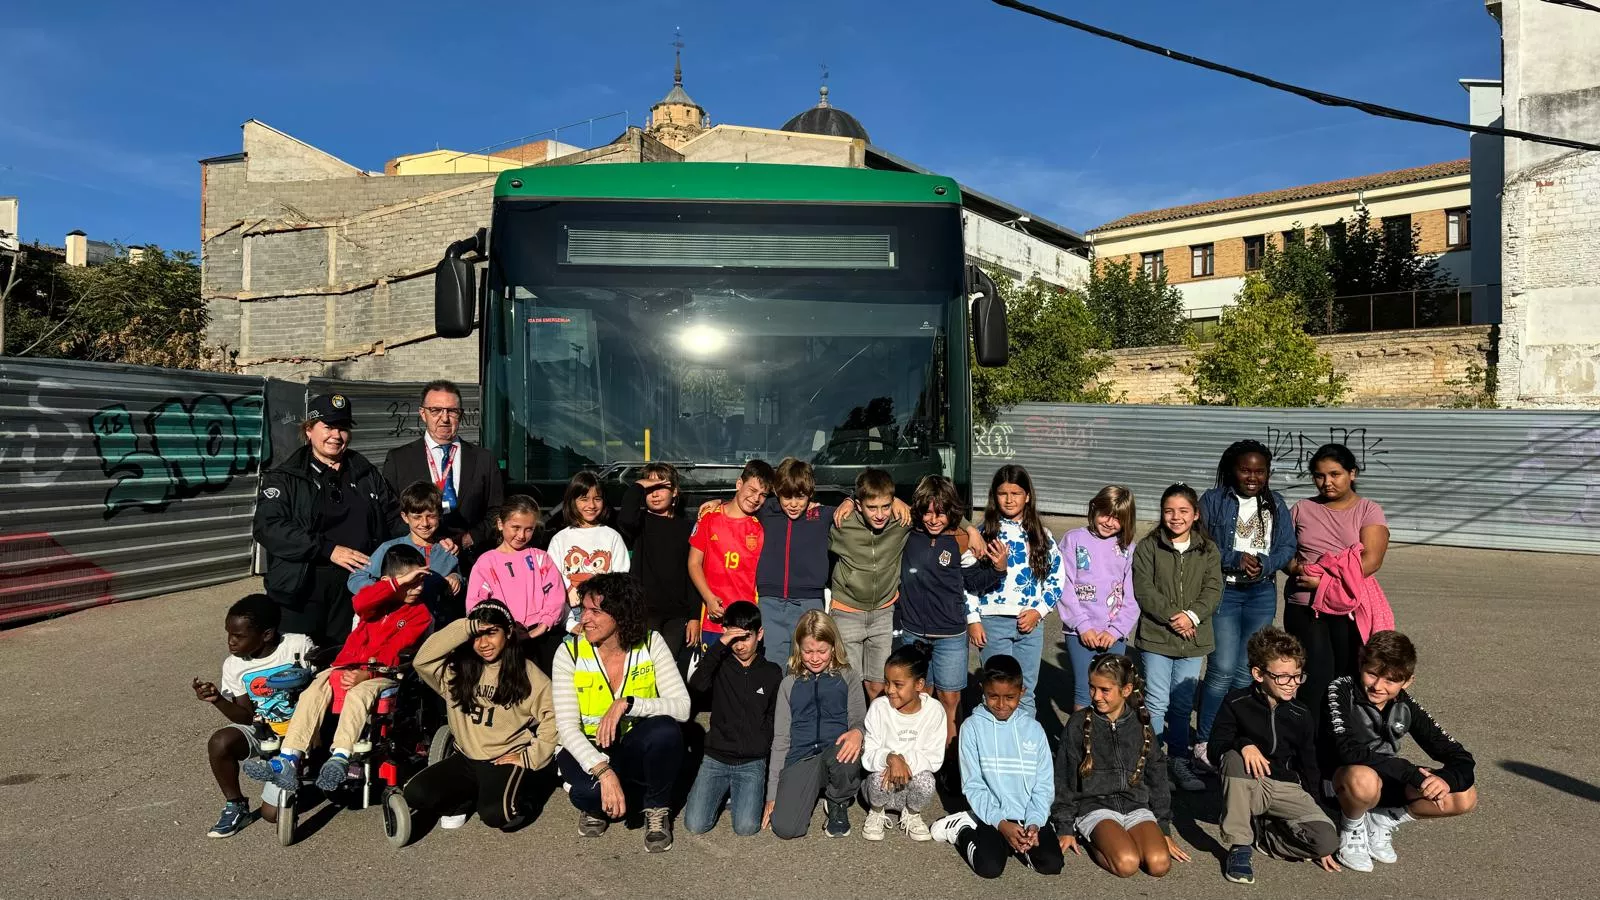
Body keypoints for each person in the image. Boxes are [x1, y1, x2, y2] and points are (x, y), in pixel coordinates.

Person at [245, 545, 435, 793]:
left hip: (384, 673)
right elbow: (360, 602)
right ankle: (289, 758)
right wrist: (397, 584)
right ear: (389, 582)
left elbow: (396, 650)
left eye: (421, 581)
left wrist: (367, 673)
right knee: (312, 691)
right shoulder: (376, 603)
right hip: (346, 666)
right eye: (411, 582)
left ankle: (340, 757)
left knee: (358, 694)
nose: (418, 587)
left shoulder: (420, 614)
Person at [552, 573, 691, 853]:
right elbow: (566, 728)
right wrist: (603, 772)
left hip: (631, 745)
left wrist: (628, 703)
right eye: (583, 610)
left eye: (595, 611)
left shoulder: (651, 643)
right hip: (586, 746)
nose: (584, 619)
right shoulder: (569, 652)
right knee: (586, 795)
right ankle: (606, 800)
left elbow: (683, 707)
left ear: (621, 614)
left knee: (666, 730)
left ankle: (656, 807)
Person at [254, 393, 402, 647]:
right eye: (328, 427)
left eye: (342, 428)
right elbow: (269, 527)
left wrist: (425, 539)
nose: (336, 435)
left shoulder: (365, 473)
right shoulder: (286, 477)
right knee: (300, 659)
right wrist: (328, 549)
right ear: (309, 430)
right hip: (303, 588)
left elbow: (393, 518)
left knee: (348, 657)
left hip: (357, 586)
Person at [404, 599, 558, 834]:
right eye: (477, 636)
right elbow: (422, 660)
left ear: (508, 632)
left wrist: (531, 756)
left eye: (492, 633)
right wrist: (466, 627)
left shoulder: (527, 673)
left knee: (497, 814)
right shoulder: (456, 670)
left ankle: (528, 791)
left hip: (503, 758)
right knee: (415, 794)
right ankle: (465, 799)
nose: (484, 643)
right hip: (465, 758)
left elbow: (553, 716)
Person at [1330, 631, 1477, 873]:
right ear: (1361, 664)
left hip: (1387, 776)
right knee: (1363, 778)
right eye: (1372, 674)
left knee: (1464, 795)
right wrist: (1412, 774)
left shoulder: (1405, 704)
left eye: (1390, 681)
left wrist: (1445, 781)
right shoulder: (1341, 689)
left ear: (1407, 681)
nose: (1378, 686)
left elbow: (1460, 757)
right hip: (1343, 781)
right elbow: (1348, 750)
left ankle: (1383, 819)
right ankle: (1351, 827)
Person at [1194, 440, 1297, 775]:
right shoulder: (1213, 500)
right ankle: (1204, 741)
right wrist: (1234, 558)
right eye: (1245, 470)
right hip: (1224, 591)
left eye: (1260, 471)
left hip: (1261, 593)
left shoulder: (1276, 503)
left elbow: (1287, 546)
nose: (1252, 477)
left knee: (1245, 670)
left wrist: (1266, 563)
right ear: (1232, 470)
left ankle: (1230, 739)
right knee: (1221, 668)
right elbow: (1200, 543)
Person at [1206, 627, 1340, 885]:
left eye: (1297, 676)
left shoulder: (1301, 713)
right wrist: (1244, 744)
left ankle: (1267, 834)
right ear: (1258, 674)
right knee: (1233, 757)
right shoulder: (1236, 702)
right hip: (1251, 784)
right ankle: (1240, 845)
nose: (1292, 684)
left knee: (1327, 842)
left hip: (1286, 787)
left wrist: (1317, 809)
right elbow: (1215, 748)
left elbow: (1309, 764)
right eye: (1282, 677)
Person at [1285, 443, 1390, 757]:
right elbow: (1284, 553)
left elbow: (1371, 561)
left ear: (1352, 473)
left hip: (1349, 607)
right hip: (1305, 608)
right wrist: (1296, 568)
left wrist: (1324, 582)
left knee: (1346, 679)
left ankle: (1342, 750)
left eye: (1335, 474)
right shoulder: (1301, 508)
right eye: (1319, 476)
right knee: (1313, 680)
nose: (1327, 482)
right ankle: (1308, 753)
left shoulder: (1368, 509)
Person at [1051, 653, 1188, 878]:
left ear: (1126, 690)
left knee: (1159, 864)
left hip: (1136, 805)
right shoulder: (1078, 723)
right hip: (1095, 807)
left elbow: (1157, 775)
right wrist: (1065, 826)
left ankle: (1125, 838)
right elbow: (1064, 777)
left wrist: (1163, 827)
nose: (1096, 696)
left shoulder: (1141, 723)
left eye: (1105, 690)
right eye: (1092, 688)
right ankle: (1091, 838)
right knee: (1127, 864)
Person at [895, 474, 1006, 745]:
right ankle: (920, 752)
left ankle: (952, 755)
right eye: (928, 513)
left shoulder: (961, 539)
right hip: (913, 631)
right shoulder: (908, 532)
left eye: (941, 513)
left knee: (950, 699)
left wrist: (998, 569)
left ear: (952, 512)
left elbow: (974, 581)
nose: (934, 519)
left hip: (951, 635)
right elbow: (886, 501)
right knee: (919, 696)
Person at [929, 655, 1063, 878]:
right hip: (992, 814)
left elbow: (1044, 785)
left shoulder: (1035, 730)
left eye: (1010, 697)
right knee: (989, 868)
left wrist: (1034, 824)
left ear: (1022, 692)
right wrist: (1001, 824)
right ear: (982, 690)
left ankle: (1016, 843)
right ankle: (962, 829)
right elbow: (973, 785)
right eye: (993, 696)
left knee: (1052, 864)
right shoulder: (971, 728)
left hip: (1028, 814)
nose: (1001, 705)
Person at [192, 595, 314, 837]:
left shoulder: (297, 646)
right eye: (229, 634)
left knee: (271, 814)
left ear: (266, 635)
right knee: (220, 742)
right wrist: (217, 699)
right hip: (265, 732)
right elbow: (246, 717)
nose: (231, 641)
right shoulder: (234, 665)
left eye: (238, 636)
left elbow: (321, 691)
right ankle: (236, 806)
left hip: (303, 730)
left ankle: (306, 776)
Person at [1132, 483, 1222, 793]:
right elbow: (1144, 589)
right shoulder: (1148, 547)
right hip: (1157, 636)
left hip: (1193, 638)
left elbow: (1213, 588)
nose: (1176, 517)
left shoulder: (1207, 549)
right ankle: (1155, 765)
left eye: (1183, 511)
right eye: (1169, 511)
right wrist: (1175, 617)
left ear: (1196, 514)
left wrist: (1192, 616)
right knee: (1156, 702)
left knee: (1183, 705)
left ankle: (1179, 760)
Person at [967, 465, 1065, 718]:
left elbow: (1056, 579)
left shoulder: (1042, 536)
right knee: (995, 692)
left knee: (1025, 691)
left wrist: (1039, 611)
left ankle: (1025, 740)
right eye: (1003, 494)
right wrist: (973, 619)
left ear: (1027, 496)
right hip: (992, 623)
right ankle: (995, 739)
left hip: (1029, 624)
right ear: (994, 496)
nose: (1009, 500)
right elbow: (968, 581)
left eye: (1016, 493)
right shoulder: (983, 534)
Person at [683, 601, 783, 837]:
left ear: (759, 634)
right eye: (734, 639)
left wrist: (762, 742)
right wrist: (720, 644)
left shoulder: (772, 672)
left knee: (746, 827)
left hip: (751, 762)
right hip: (716, 758)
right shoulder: (719, 665)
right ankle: (723, 790)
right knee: (695, 824)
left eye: (746, 637)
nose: (740, 645)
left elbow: (774, 715)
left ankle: (736, 791)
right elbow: (696, 685)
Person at [766, 610, 867, 840]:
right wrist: (772, 794)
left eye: (822, 651)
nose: (814, 658)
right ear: (798, 649)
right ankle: (807, 790)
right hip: (802, 757)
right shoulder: (788, 684)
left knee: (848, 749)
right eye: (808, 651)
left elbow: (858, 718)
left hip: (836, 753)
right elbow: (781, 739)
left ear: (833, 647)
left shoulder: (848, 676)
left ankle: (838, 801)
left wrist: (858, 732)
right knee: (785, 828)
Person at [381, 379, 504, 564]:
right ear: (423, 414)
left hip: (471, 560)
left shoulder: (484, 459)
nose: (444, 418)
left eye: (452, 411)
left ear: (460, 414)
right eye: (436, 410)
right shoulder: (399, 459)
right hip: (417, 561)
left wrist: (469, 539)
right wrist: (424, 542)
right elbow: (391, 513)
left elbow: (497, 510)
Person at [1058, 485, 1139, 712]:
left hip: (1114, 635)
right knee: (1085, 689)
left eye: (1118, 518)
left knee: (1111, 690)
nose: (1110, 522)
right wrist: (1082, 626)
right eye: (1105, 514)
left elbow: (1132, 596)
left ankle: (1108, 734)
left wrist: (1115, 630)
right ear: (1094, 508)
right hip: (1079, 632)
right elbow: (1064, 585)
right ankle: (1082, 734)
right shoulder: (1074, 539)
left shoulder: (1128, 549)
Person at [468, 495, 570, 673]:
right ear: (500, 524)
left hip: (541, 638)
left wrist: (543, 624)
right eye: (515, 528)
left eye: (529, 529)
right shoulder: (486, 562)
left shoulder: (540, 558)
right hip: (504, 640)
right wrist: (499, 630)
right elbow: (476, 605)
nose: (522, 535)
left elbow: (555, 595)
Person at [860, 643, 947, 842]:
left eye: (898, 685)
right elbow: (868, 755)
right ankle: (876, 811)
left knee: (927, 781)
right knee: (876, 777)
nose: (889, 690)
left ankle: (912, 813)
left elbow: (934, 758)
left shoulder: (934, 711)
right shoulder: (879, 707)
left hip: (911, 787)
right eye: (887, 682)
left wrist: (903, 761)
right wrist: (890, 759)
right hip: (881, 785)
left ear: (919, 685)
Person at [752, 458, 834, 667]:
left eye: (800, 496)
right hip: (770, 603)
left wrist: (851, 501)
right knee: (773, 666)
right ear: (777, 492)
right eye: (787, 497)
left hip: (809, 604)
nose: (794, 503)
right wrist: (718, 502)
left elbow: (856, 508)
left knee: (807, 666)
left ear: (810, 493)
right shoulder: (767, 510)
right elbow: (741, 503)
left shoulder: (822, 515)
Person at [687, 460, 775, 646]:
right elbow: (693, 563)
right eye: (752, 490)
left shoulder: (762, 526)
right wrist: (709, 598)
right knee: (712, 664)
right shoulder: (709, 517)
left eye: (763, 495)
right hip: (713, 618)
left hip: (746, 620)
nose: (756, 498)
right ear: (739, 484)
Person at [347, 481, 462, 620]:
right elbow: (356, 578)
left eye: (431, 516)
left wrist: (456, 578)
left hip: (438, 625)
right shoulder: (389, 549)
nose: (425, 523)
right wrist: (388, 590)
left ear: (440, 515)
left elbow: (460, 575)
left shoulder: (447, 549)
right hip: (397, 624)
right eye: (417, 517)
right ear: (405, 517)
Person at [616, 462, 696, 658]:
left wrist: (694, 616)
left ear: (674, 491)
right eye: (649, 488)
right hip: (645, 612)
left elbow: (693, 571)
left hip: (677, 614)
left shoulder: (687, 527)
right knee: (644, 664)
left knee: (667, 667)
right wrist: (638, 486)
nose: (655, 494)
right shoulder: (640, 522)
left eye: (661, 487)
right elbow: (625, 518)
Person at [546, 471, 632, 590]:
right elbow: (552, 579)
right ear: (572, 501)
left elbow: (621, 578)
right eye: (584, 499)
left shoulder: (612, 536)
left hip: (604, 601)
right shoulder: (559, 539)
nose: (591, 505)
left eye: (597, 499)